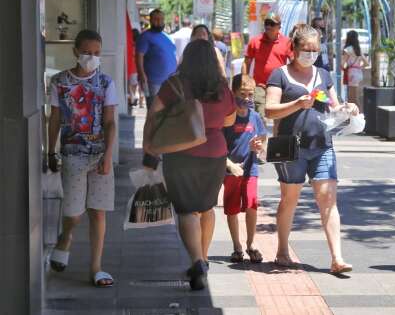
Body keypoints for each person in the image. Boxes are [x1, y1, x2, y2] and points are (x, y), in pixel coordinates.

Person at [142, 39, 236, 290]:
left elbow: (153, 114)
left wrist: (148, 147)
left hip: (180, 153)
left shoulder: (174, 84)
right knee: (206, 208)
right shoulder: (223, 88)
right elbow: (229, 121)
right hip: (215, 154)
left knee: (186, 210)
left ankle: (196, 260)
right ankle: (204, 258)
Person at [265, 23, 357, 274]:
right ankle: (282, 250)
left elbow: (333, 107)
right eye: (306, 49)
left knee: (327, 198)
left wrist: (347, 109)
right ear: (294, 48)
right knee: (290, 199)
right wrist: (297, 103)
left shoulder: (323, 74)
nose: (311, 54)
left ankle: (337, 258)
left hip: (322, 144)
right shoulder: (279, 74)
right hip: (290, 148)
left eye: (315, 50)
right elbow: (269, 110)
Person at [47, 30, 118, 287]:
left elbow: (110, 122)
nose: (92, 57)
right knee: (74, 213)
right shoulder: (59, 82)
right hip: (72, 154)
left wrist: (108, 155)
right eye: (87, 52)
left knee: (98, 213)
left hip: (99, 155)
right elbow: (54, 119)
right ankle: (66, 237)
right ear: (76, 51)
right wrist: (50, 151)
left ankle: (96, 267)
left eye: (97, 53)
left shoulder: (106, 83)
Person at [223, 74, 267, 264]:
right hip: (231, 171)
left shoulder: (255, 117)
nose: (247, 98)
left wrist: (258, 145)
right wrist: (229, 165)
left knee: (251, 204)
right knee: (232, 208)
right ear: (233, 93)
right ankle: (237, 247)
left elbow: (263, 138)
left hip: (251, 169)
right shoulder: (227, 118)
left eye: (251, 94)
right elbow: (219, 145)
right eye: (243, 94)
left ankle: (251, 244)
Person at [243, 12, 293, 121]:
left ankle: (277, 138)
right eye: (266, 23)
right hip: (259, 86)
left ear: (279, 26)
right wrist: (244, 79)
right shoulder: (255, 41)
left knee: (279, 119)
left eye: (271, 24)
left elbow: (294, 62)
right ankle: (262, 138)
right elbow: (247, 62)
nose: (268, 26)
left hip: (280, 87)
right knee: (260, 117)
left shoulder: (287, 42)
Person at [136, 9, 177, 108]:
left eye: (161, 19)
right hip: (153, 81)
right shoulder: (145, 36)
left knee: (168, 111)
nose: (159, 22)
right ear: (150, 20)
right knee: (154, 111)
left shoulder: (167, 36)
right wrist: (142, 74)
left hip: (170, 81)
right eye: (156, 19)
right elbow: (139, 56)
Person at [342, 30, 369, 108]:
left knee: (352, 98)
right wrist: (359, 67)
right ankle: (355, 116)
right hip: (359, 73)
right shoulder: (358, 49)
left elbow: (342, 64)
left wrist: (346, 68)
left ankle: (358, 115)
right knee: (355, 97)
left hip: (352, 74)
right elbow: (366, 63)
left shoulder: (348, 49)